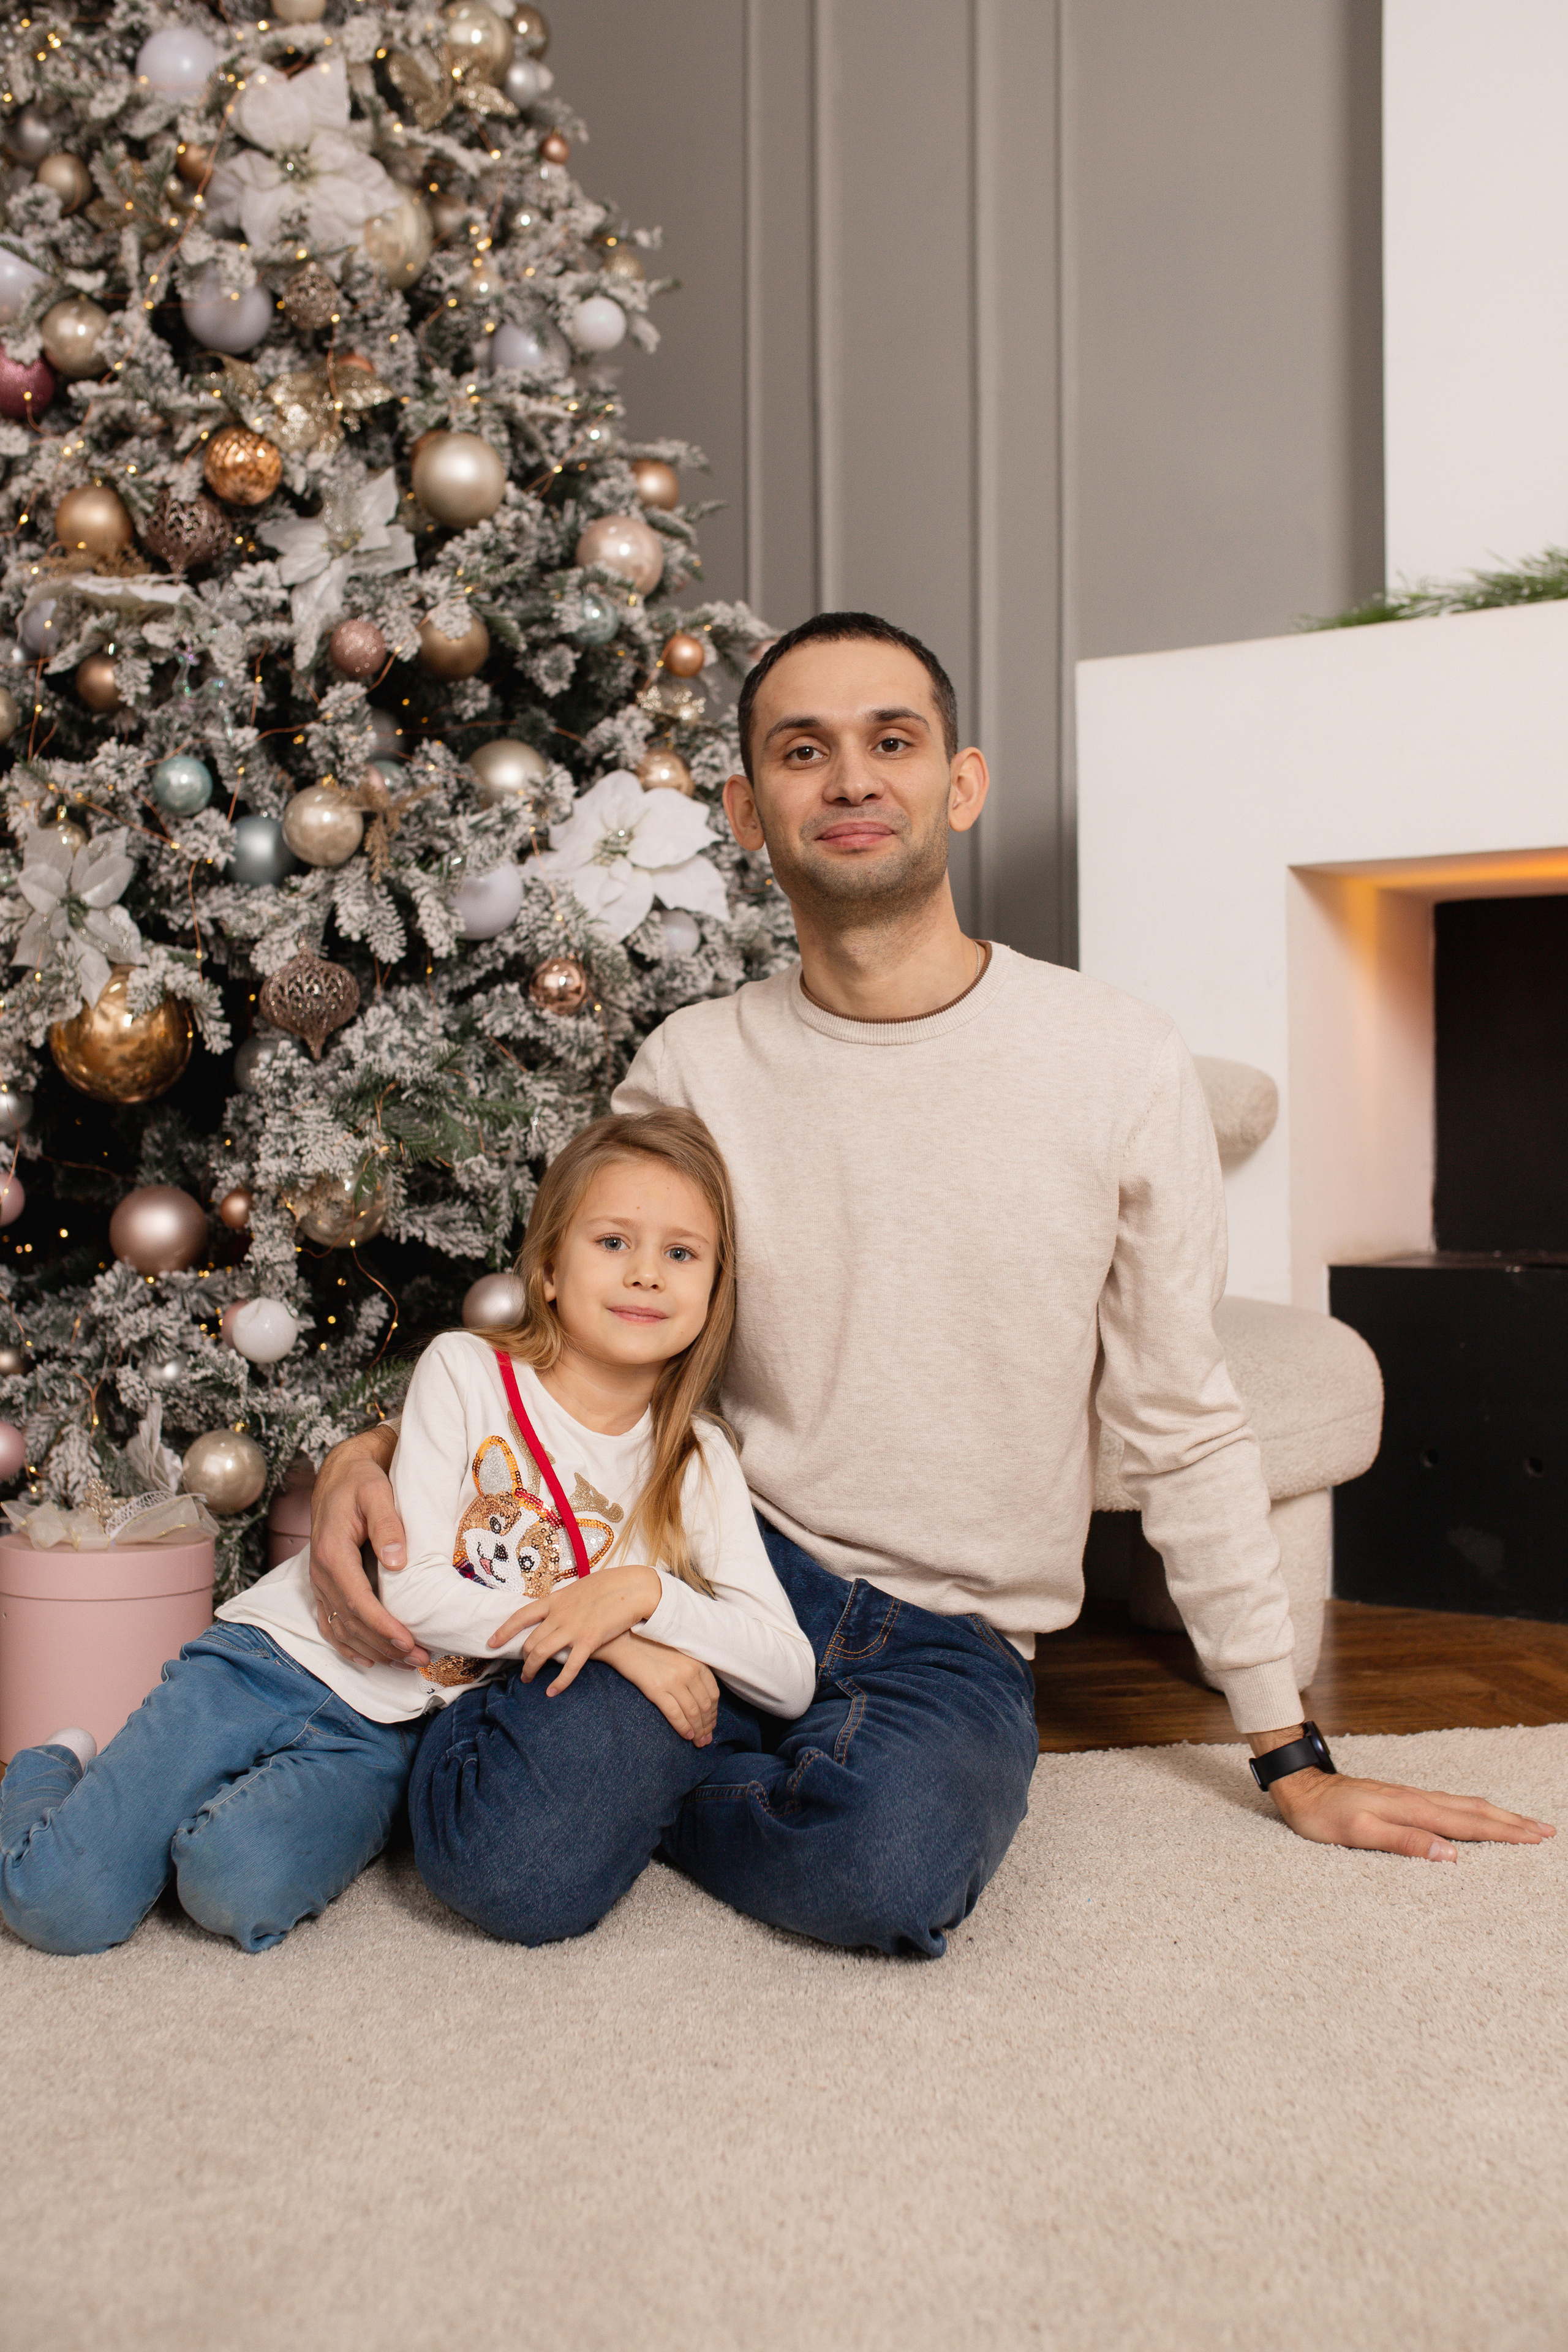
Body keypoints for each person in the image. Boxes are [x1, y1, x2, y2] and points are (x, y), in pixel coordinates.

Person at [310, 611, 1556, 1958]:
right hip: (709, 1569)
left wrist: (1288, 1752)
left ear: (956, 784)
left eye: (888, 742)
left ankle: (669, 1781)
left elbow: (1178, 1413)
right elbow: (594, 1337)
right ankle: (583, 1766)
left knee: (889, 1876)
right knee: (509, 1871)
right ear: (744, 809)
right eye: (802, 750)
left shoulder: (1116, 1061)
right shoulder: (690, 1066)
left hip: (951, 1637)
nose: (849, 780)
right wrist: (376, 1447)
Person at [0, 1109, 813, 1956]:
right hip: (281, 1658)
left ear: (716, 1289)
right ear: (546, 1270)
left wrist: (647, 1598)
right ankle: (52, 1769)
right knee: (62, 1904)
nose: (647, 1274)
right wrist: (612, 1639)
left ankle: (188, 1817)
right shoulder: (467, 1370)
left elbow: (788, 1676)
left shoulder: (699, 1457)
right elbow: (416, 1594)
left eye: (681, 1254)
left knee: (229, 1884)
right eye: (614, 1242)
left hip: (390, 1738)